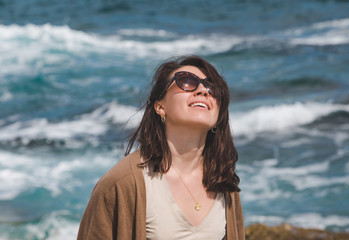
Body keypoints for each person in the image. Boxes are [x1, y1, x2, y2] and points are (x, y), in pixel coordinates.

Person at [77, 55, 245, 240]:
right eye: (187, 82)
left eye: (212, 87)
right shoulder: (121, 183)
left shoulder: (223, 181)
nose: (203, 90)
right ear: (160, 107)